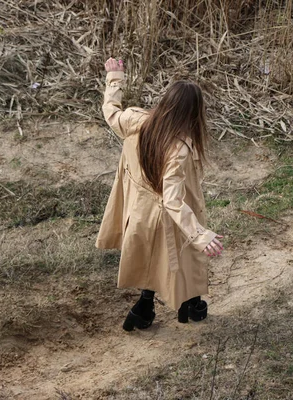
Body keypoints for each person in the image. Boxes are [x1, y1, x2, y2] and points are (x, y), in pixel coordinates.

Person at [96, 57, 224, 331]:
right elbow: (173, 199)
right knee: (182, 257)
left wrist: (115, 78)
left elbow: (111, 112)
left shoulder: (136, 120)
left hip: (137, 212)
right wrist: (200, 235)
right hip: (169, 216)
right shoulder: (178, 148)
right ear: (194, 113)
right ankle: (190, 305)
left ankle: (144, 308)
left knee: (148, 259)